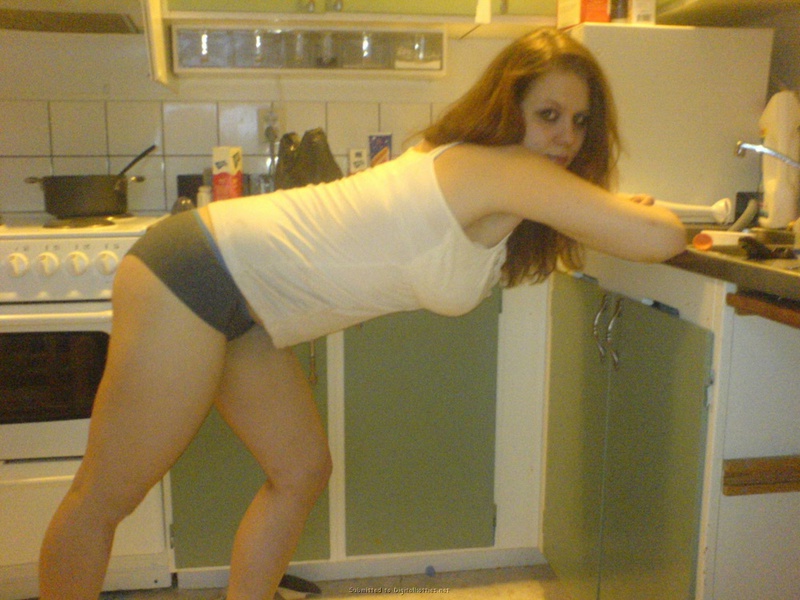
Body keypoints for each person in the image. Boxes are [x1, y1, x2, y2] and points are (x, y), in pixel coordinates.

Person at [39, 27, 685, 600]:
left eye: (580, 121)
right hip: (193, 272)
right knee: (105, 496)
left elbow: (590, 218)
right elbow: (659, 237)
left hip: (244, 299)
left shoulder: (485, 168)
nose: (567, 137)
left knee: (300, 472)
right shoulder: (505, 168)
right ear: (507, 108)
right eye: (549, 115)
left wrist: (610, 206)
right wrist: (647, 212)